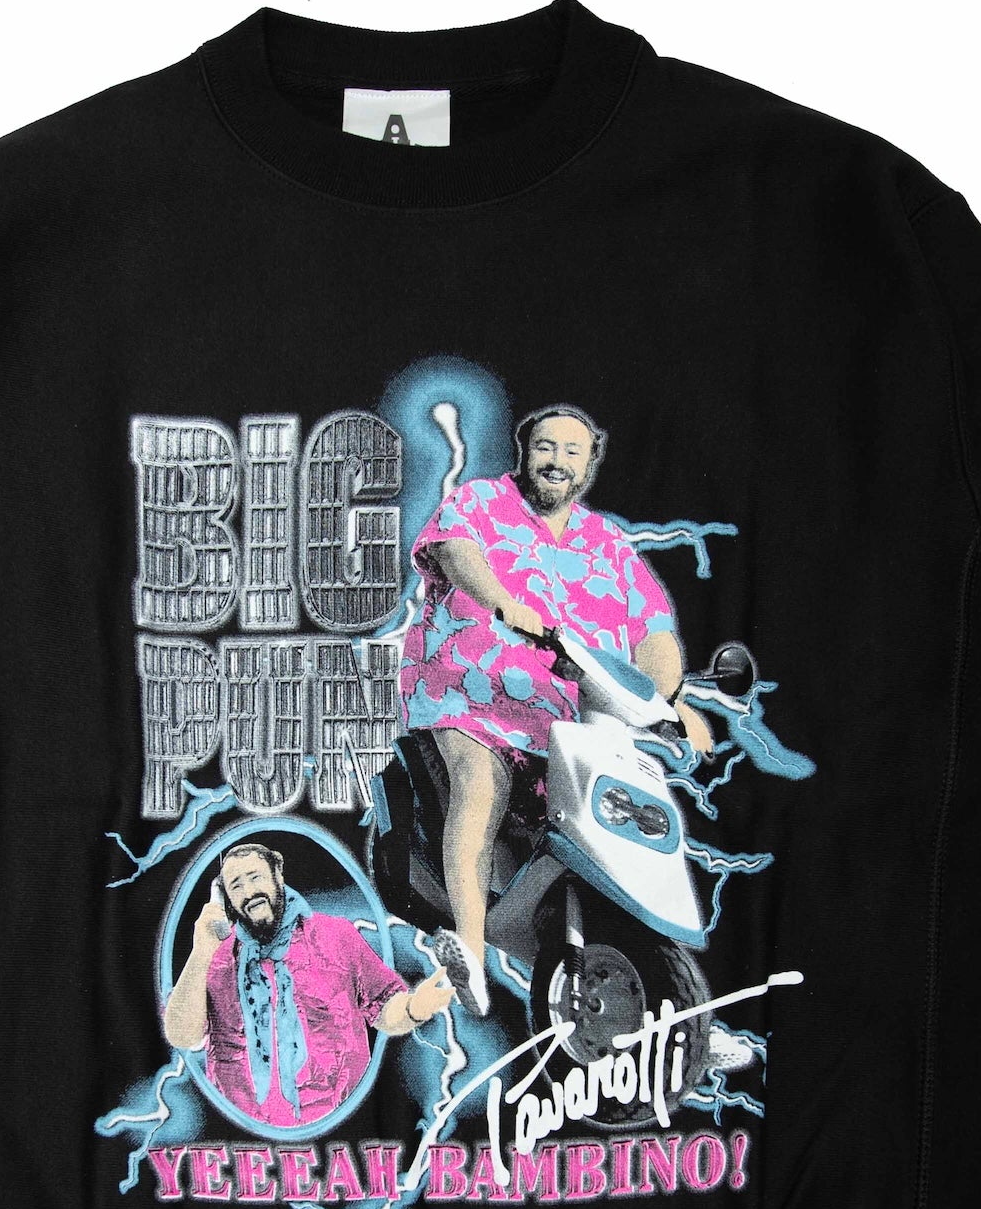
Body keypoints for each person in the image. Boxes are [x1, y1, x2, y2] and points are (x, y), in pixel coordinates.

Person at [399, 406, 711, 1010]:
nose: (557, 461)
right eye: (545, 447)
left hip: (569, 720)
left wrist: (668, 695)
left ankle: (678, 1007)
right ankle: (470, 958)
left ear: (590, 462)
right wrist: (501, 601)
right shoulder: (482, 501)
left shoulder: (608, 544)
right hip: (472, 694)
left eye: (572, 451)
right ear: (525, 451)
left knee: (628, 831)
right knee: (479, 786)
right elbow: (456, 552)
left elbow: (653, 630)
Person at [162, 840, 455, 1127]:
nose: (249, 892)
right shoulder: (214, 959)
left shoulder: (336, 936)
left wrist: (413, 1008)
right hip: (247, 1139)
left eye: (255, 877)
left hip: (340, 1129)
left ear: (277, 873)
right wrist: (201, 951)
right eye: (236, 886)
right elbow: (182, 1036)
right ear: (225, 898)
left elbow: (384, 1008)